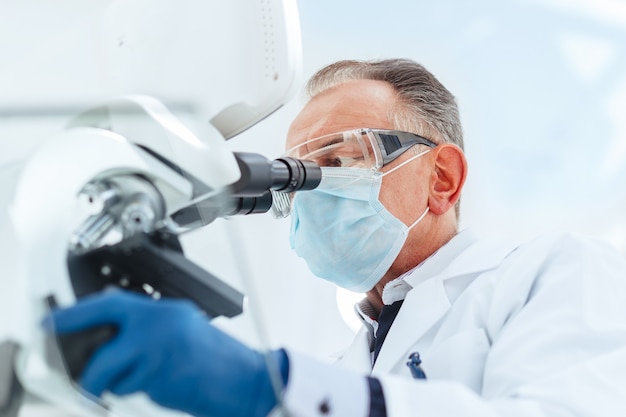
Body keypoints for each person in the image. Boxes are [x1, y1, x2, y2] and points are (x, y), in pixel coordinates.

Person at [47, 58, 626, 417]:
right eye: (293, 177)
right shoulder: (340, 365)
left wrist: (265, 387)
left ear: (441, 178)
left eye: (337, 159)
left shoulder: (558, 274)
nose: (308, 192)